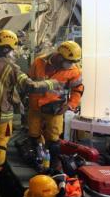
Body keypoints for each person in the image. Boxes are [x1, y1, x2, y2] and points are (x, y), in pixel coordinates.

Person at [0, 30, 62, 195]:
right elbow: (30, 86)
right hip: (2, 114)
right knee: (0, 145)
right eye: (11, 49)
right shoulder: (11, 67)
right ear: (6, 49)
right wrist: (52, 83)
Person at [28, 40, 84, 171]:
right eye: (68, 61)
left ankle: (54, 165)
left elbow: (78, 89)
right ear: (59, 56)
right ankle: (38, 159)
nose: (70, 64)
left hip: (55, 109)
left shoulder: (74, 71)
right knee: (33, 134)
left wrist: (70, 105)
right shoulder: (39, 62)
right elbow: (28, 80)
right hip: (35, 106)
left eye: (73, 62)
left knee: (53, 139)